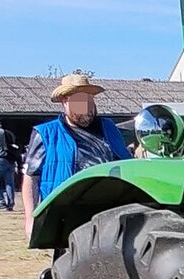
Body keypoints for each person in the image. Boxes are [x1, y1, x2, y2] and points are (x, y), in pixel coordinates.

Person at [22, 71, 130, 237]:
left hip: (109, 210)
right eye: (80, 102)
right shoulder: (47, 134)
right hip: (66, 215)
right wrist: (30, 218)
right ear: (64, 102)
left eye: (89, 101)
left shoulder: (108, 128)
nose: (86, 108)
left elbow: (126, 163)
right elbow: (31, 178)